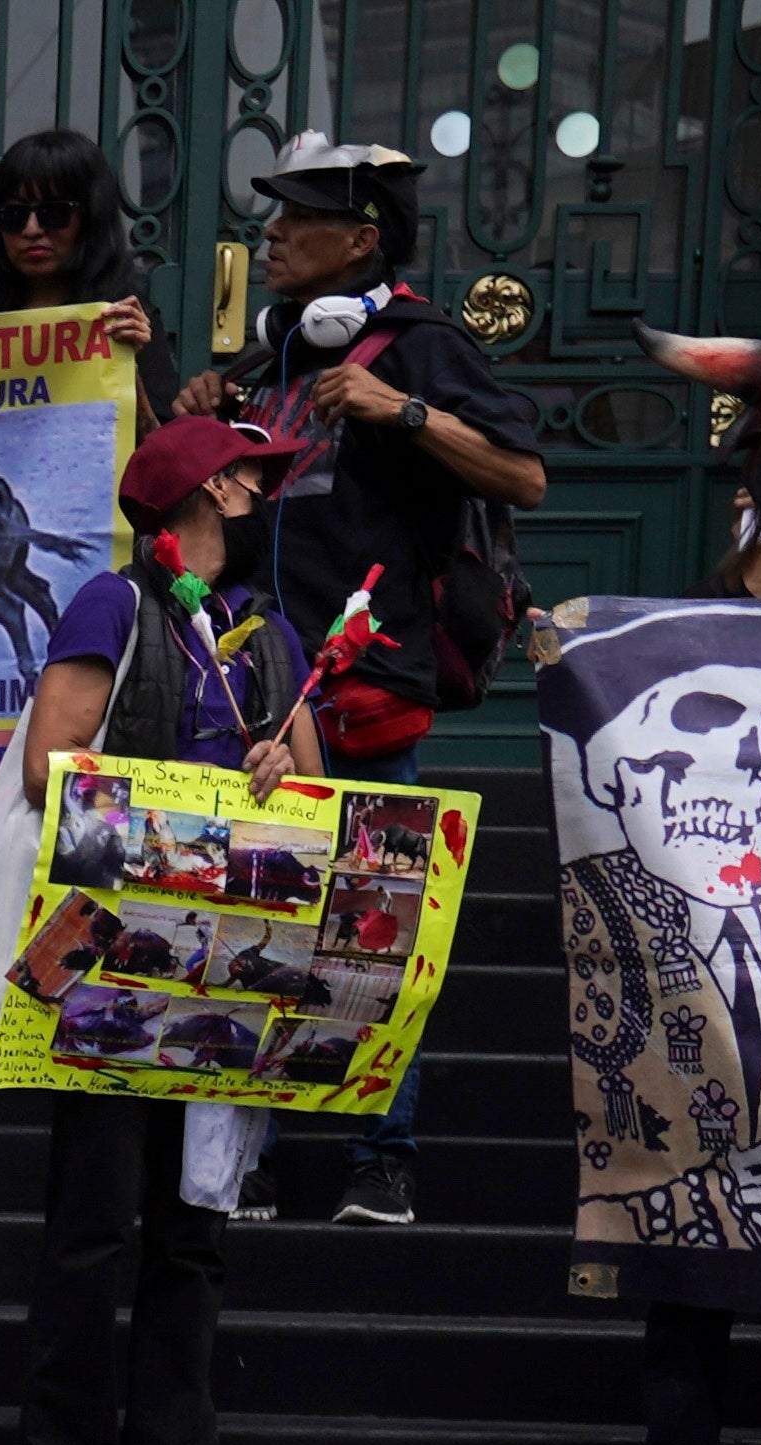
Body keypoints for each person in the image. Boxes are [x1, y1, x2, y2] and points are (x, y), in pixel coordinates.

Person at [3, 412, 316, 1445]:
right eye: (247, 472)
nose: (260, 488)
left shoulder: (271, 634)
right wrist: (183, 793)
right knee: (94, 1220)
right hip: (118, 958)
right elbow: (51, 767)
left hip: (231, 977)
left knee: (195, 1229)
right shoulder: (112, 605)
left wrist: (277, 769)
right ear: (209, 489)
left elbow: (318, 798)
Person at [231, 136, 538, 1230]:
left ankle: (383, 1157)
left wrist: (402, 410)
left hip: (368, 685)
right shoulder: (266, 357)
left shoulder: (419, 347)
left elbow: (525, 475)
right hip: (255, 691)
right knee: (251, 922)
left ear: (361, 240)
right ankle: (243, 1160)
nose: (269, 234)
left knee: (377, 925)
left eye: (294, 218)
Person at [0, 126, 175, 417]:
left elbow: (159, 451)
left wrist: (129, 366)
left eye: (54, 214)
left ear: (90, 218)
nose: (32, 230)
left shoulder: (124, 324)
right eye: (13, 215)